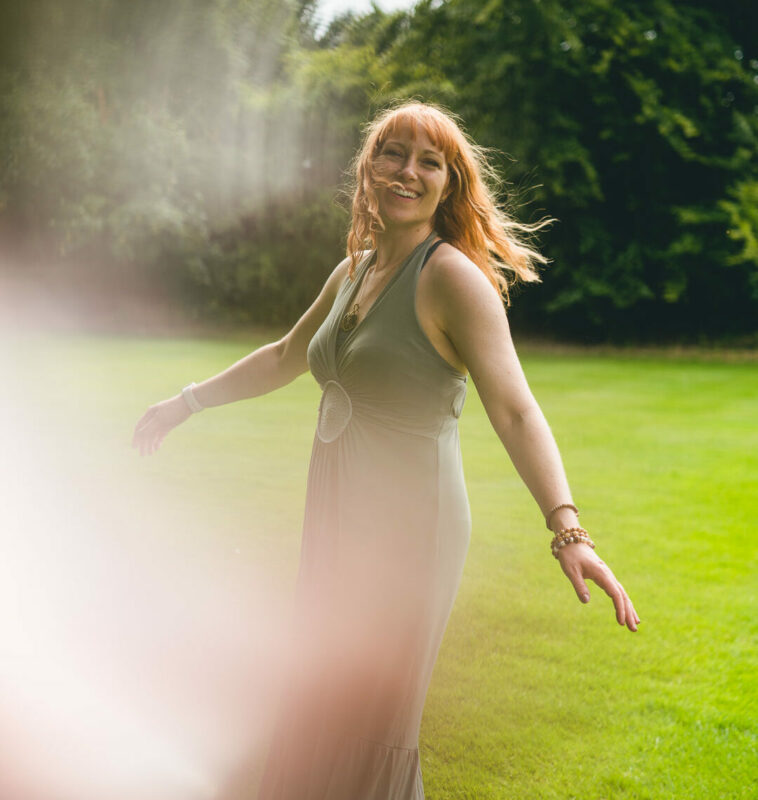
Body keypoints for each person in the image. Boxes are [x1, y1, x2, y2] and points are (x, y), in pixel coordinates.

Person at [132, 100, 639, 799]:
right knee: (321, 705)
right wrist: (184, 403)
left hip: (409, 532)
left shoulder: (452, 278)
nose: (408, 171)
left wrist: (568, 528)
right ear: (367, 171)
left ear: (450, 184)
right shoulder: (352, 271)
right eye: (392, 154)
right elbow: (283, 355)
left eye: (429, 161)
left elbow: (517, 410)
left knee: (374, 726)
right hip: (338, 517)